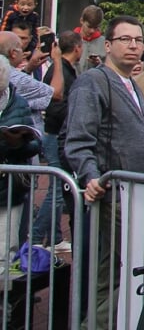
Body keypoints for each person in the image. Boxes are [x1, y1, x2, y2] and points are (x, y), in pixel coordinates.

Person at [61, 15, 144, 330]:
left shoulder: (132, 85)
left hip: (132, 197)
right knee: (112, 277)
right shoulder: (93, 81)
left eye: (138, 40)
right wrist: (91, 176)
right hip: (111, 196)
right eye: (125, 39)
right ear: (108, 45)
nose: (133, 46)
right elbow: (77, 140)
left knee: (116, 275)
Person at [30, 30, 79, 248]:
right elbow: (56, 104)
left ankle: (56, 237)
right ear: (78, 48)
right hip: (55, 134)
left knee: (58, 186)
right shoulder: (62, 72)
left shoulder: (63, 70)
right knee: (57, 189)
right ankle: (37, 236)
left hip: (54, 133)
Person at [0, 56, 41, 257]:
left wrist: (19, 143)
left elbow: (35, 144)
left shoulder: (19, 104)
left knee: (5, 246)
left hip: (8, 187)